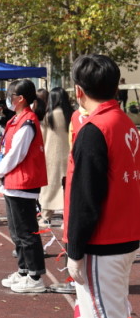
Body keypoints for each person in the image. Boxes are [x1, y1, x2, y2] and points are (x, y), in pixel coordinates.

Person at [64, 55, 140, 317]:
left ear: (79, 91)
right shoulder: (126, 123)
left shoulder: (95, 129)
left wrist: (74, 250)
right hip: (125, 235)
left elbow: (85, 196)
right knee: (115, 308)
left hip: (101, 241)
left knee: (102, 312)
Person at [0, 79, 48, 294]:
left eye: (10, 95)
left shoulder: (27, 122)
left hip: (22, 181)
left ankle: (35, 276)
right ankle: (24, 270)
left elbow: (17, 153)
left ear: (21, 98)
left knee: (26, 231)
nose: (8, 99)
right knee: (16, 231)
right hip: (13, 182)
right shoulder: (17, 119)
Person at [39, 87, 73, 227]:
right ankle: (67, 218)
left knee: (50, 187)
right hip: (69, 155)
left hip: (51, 157)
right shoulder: (72, 115)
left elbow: (42, 137)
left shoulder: (49, 116)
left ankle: (46, 217)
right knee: (68, 187)